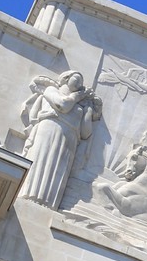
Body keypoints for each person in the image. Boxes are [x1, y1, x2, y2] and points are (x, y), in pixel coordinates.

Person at [18, 71, 101, 209]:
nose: (80, 83)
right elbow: (62, 105)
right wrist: (79, 96)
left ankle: (48, 205)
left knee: (58, 170)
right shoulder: (52, 90)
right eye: (77, 78)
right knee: (41, 161)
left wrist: (89, 109)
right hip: (50, 129)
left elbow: (85, 133)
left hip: (69, 139)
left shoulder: (79, 105)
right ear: (65, 79)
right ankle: (28, 196)